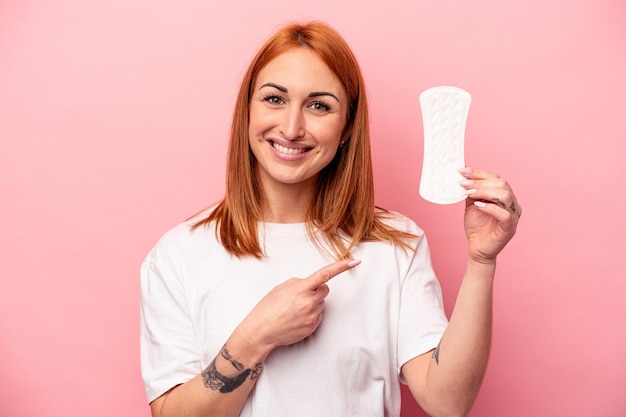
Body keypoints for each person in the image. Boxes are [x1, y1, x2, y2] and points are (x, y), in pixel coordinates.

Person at [140, 21, 521, 417]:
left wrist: (482, 262)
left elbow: (447, 402)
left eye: (319, 105)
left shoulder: (396, 246)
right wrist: (254, 337)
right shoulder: (179, 254)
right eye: (274, 99)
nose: (291, 127)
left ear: (345, 129)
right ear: (247, 111)